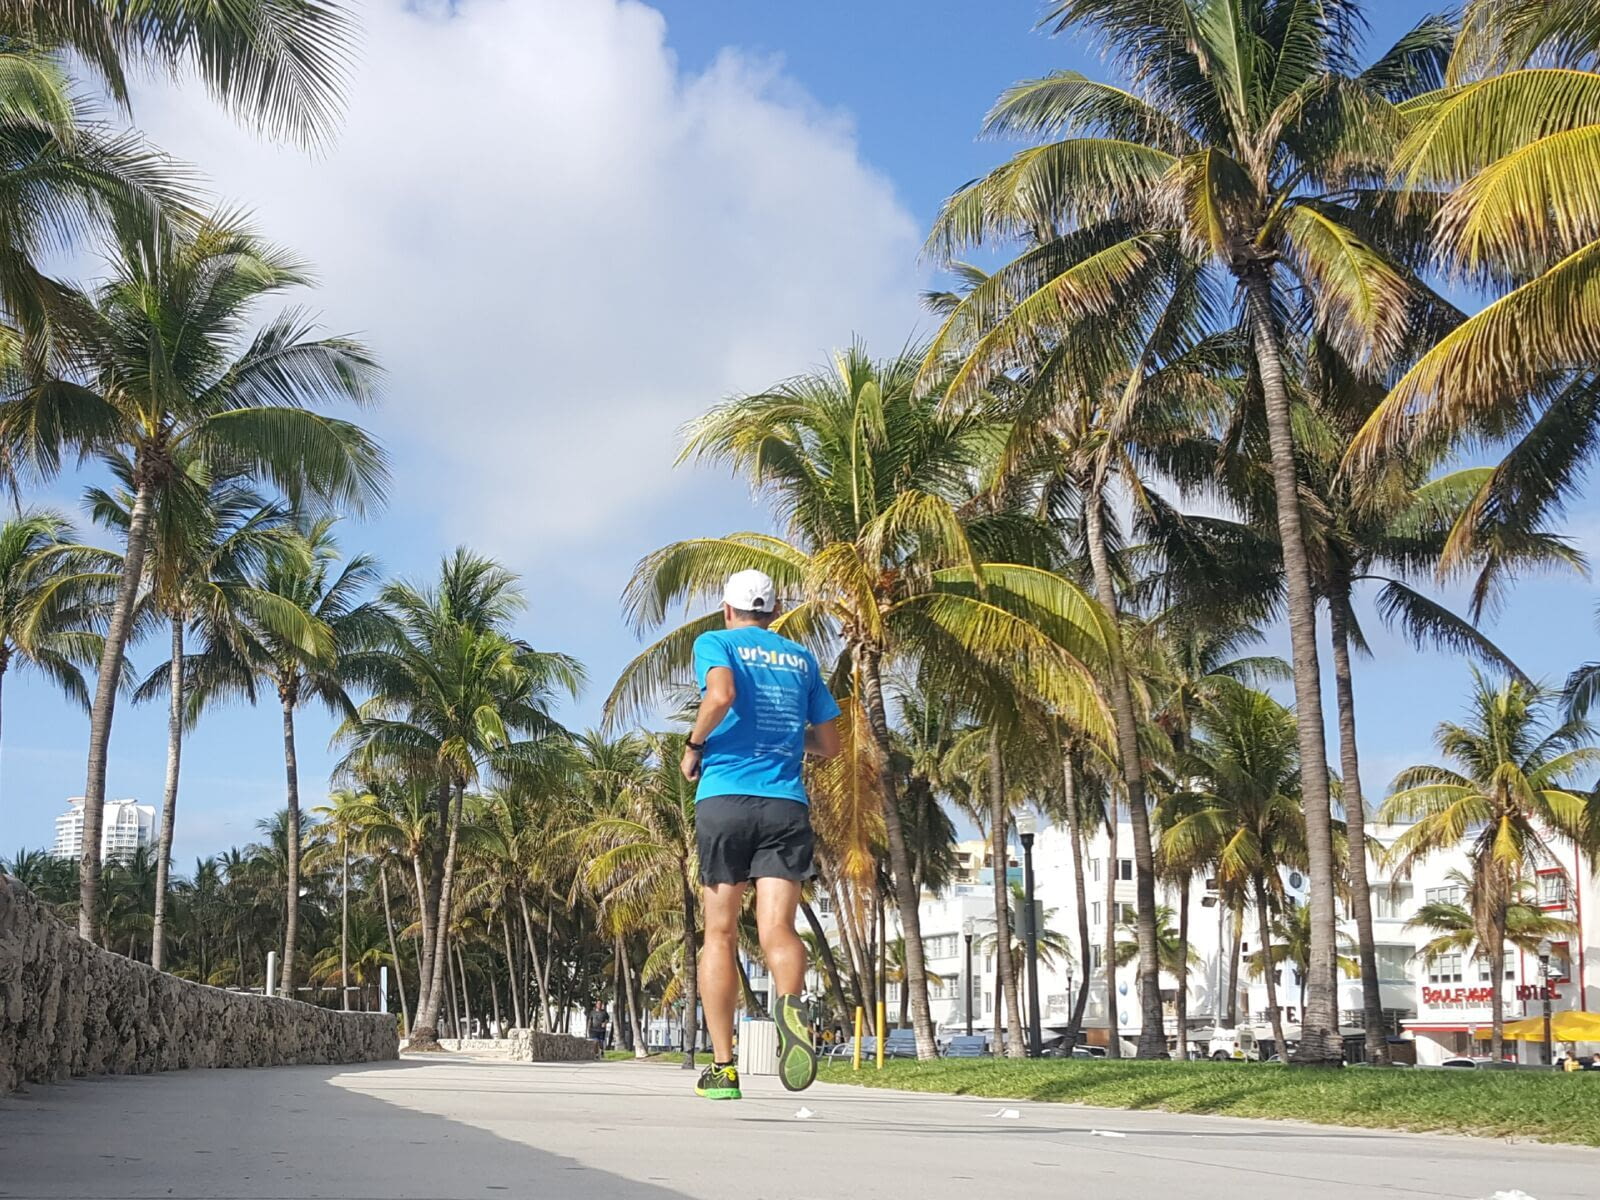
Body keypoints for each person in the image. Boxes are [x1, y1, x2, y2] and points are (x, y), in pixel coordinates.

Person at [682, 569, 842, 1100]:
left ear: (727, 610)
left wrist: (695, 745)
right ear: (773, 613)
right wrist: (784, 744)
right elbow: (830, 744)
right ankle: (793, 1016)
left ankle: (724, 1069)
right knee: (778, 929)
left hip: (726, 800)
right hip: (785, 805)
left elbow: (721, 695)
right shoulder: (801, 659)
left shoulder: (716, 641)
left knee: (720, 934)